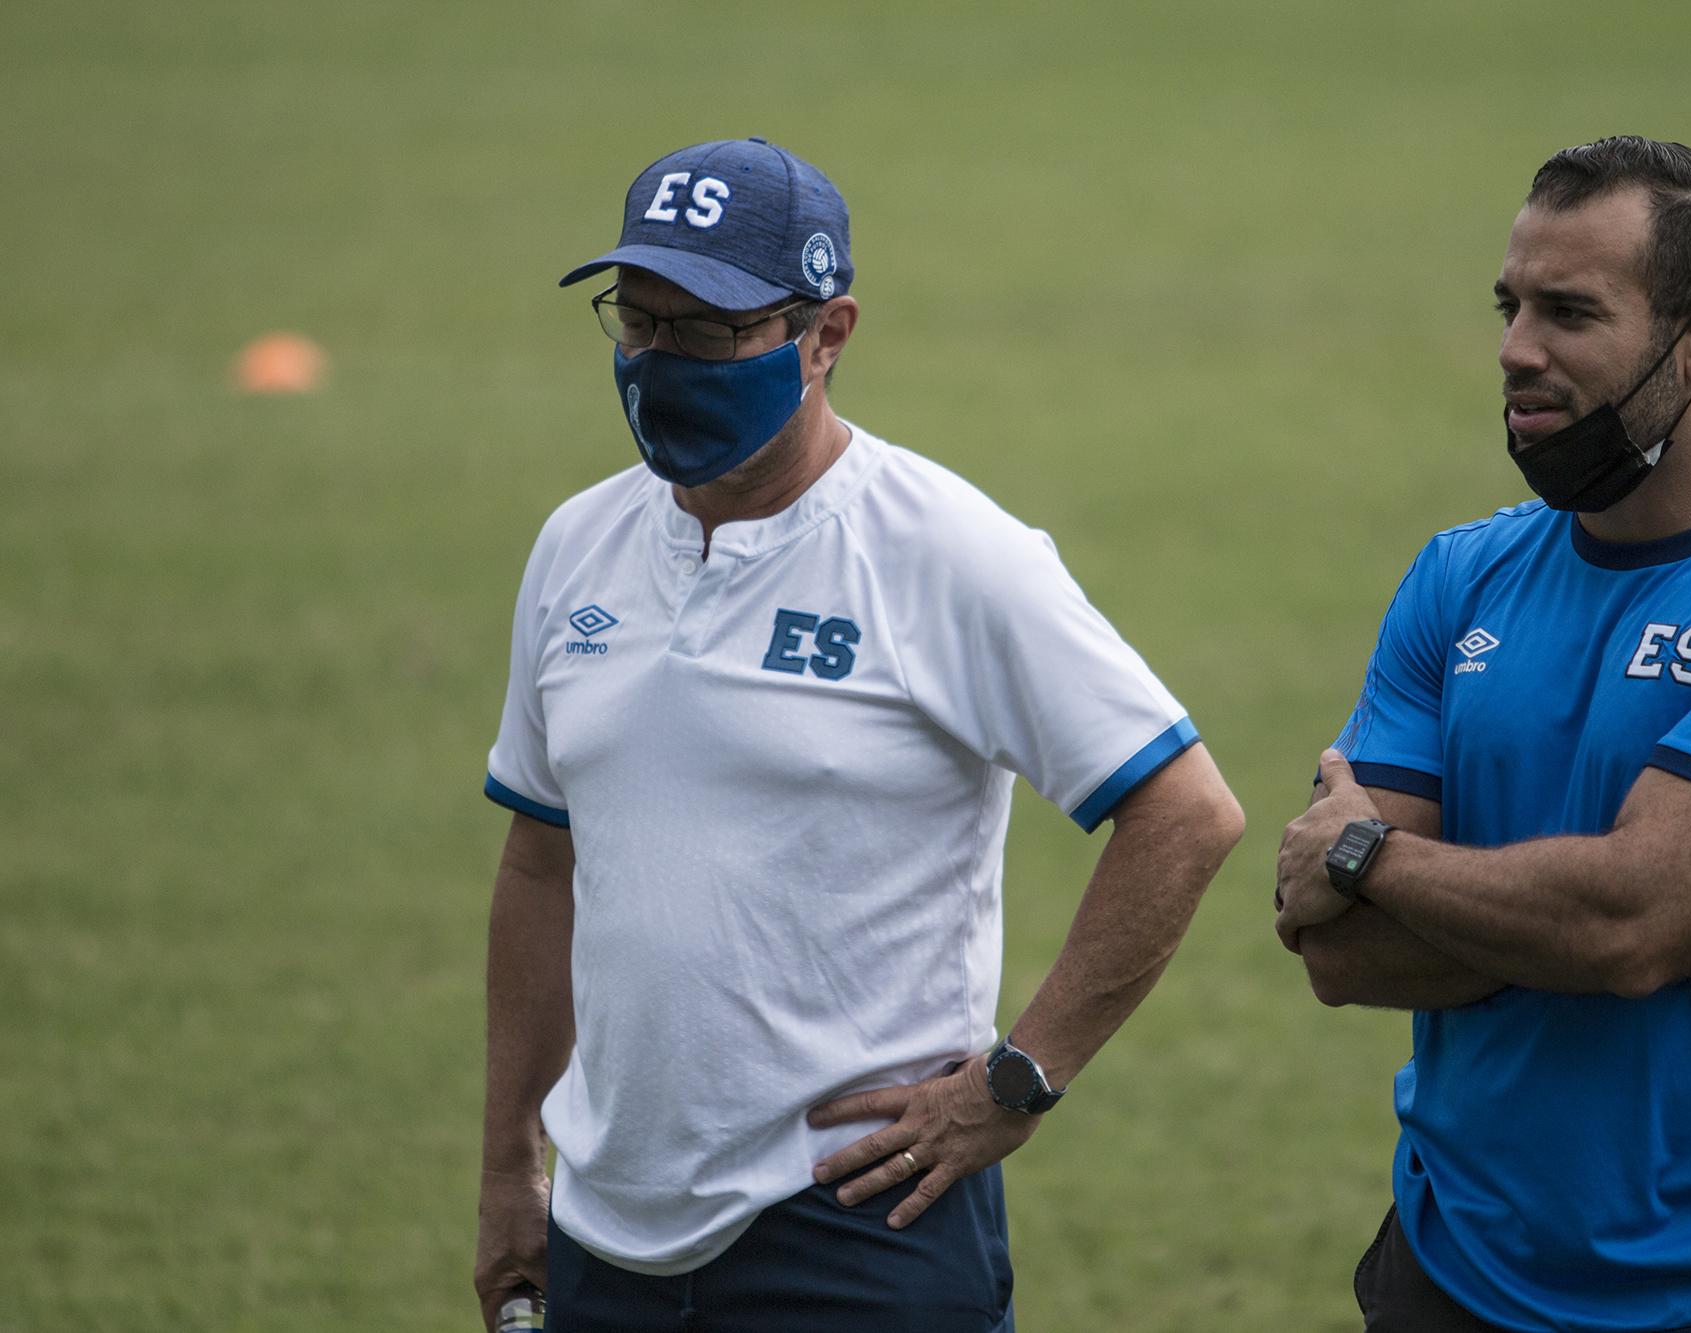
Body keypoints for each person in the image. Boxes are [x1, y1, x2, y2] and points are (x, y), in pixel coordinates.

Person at [472, 137, 1243, 1333]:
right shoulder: (576, 545)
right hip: (604, 1234)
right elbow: (540, 860)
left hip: (854, 1230)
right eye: (638, 322)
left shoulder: (945, 552)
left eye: (710, 331)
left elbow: (1186, 811)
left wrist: (1017, 1083)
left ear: (826, 334)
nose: (664, 361)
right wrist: (506, 1168)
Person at [1273, 136, 1691, 1332]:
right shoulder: (1459, 576)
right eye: (1510, 304)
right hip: (1444, 1270)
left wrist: (1370, 857)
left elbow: (1626, 923)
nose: (1515, 348)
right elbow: (1342, 958)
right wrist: (1631, 920)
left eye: (1569, 312)